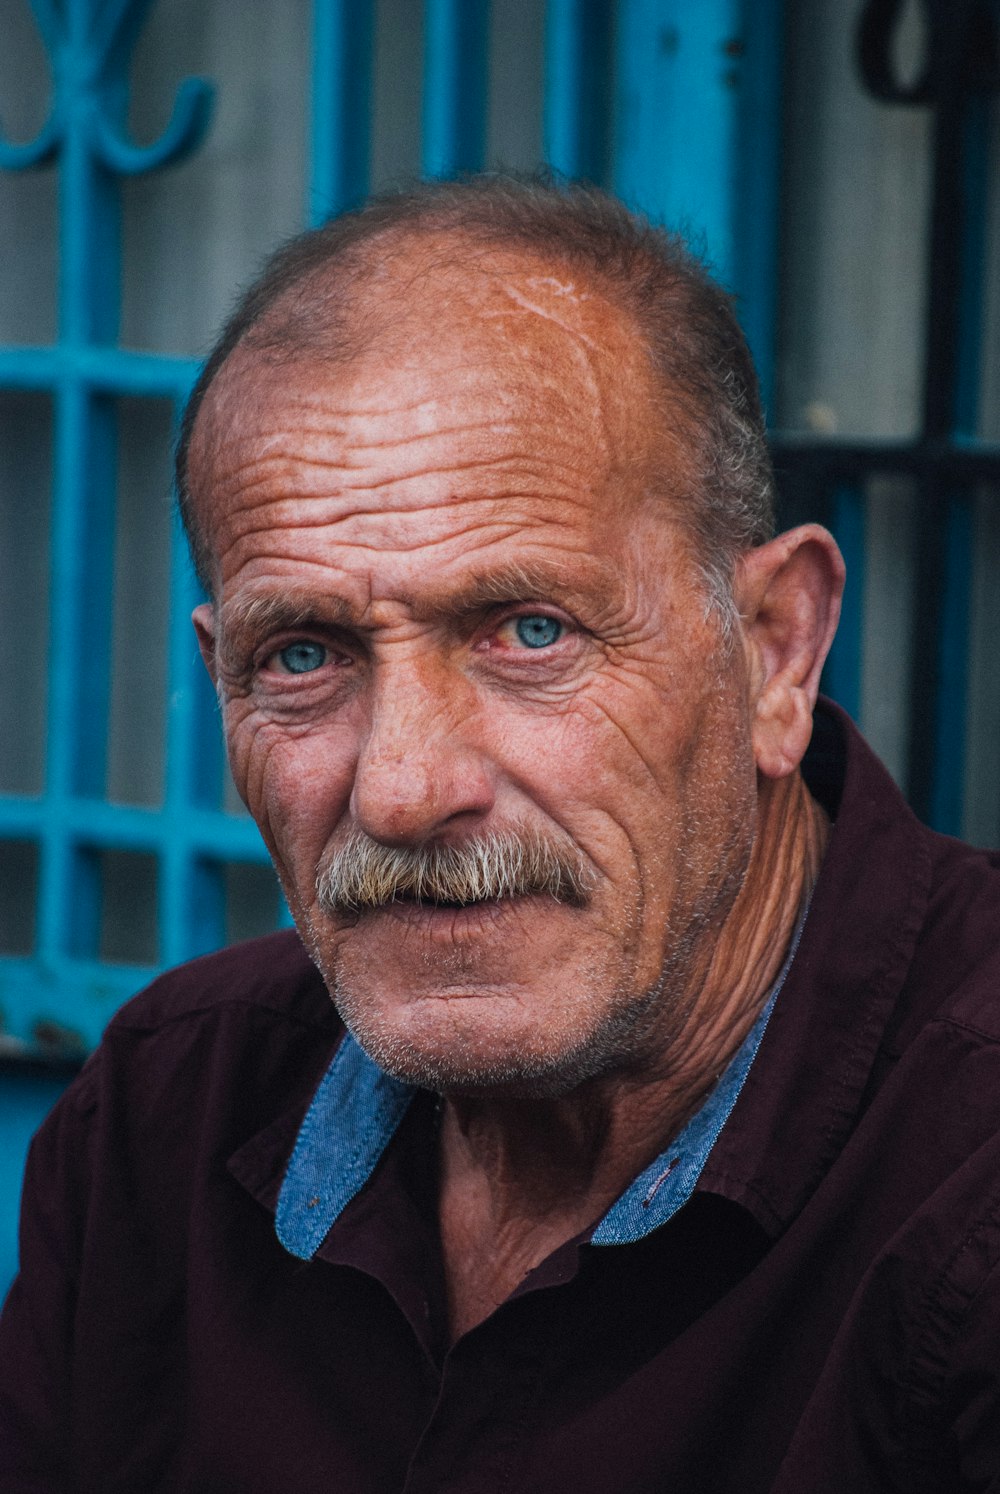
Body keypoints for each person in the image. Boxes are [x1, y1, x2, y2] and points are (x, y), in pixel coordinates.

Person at [2, 176, 999, 1494]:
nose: (405, 788)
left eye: (530, 630)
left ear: (774, 649)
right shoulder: (165, 1110)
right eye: (302, 655)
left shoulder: (968, 1178)